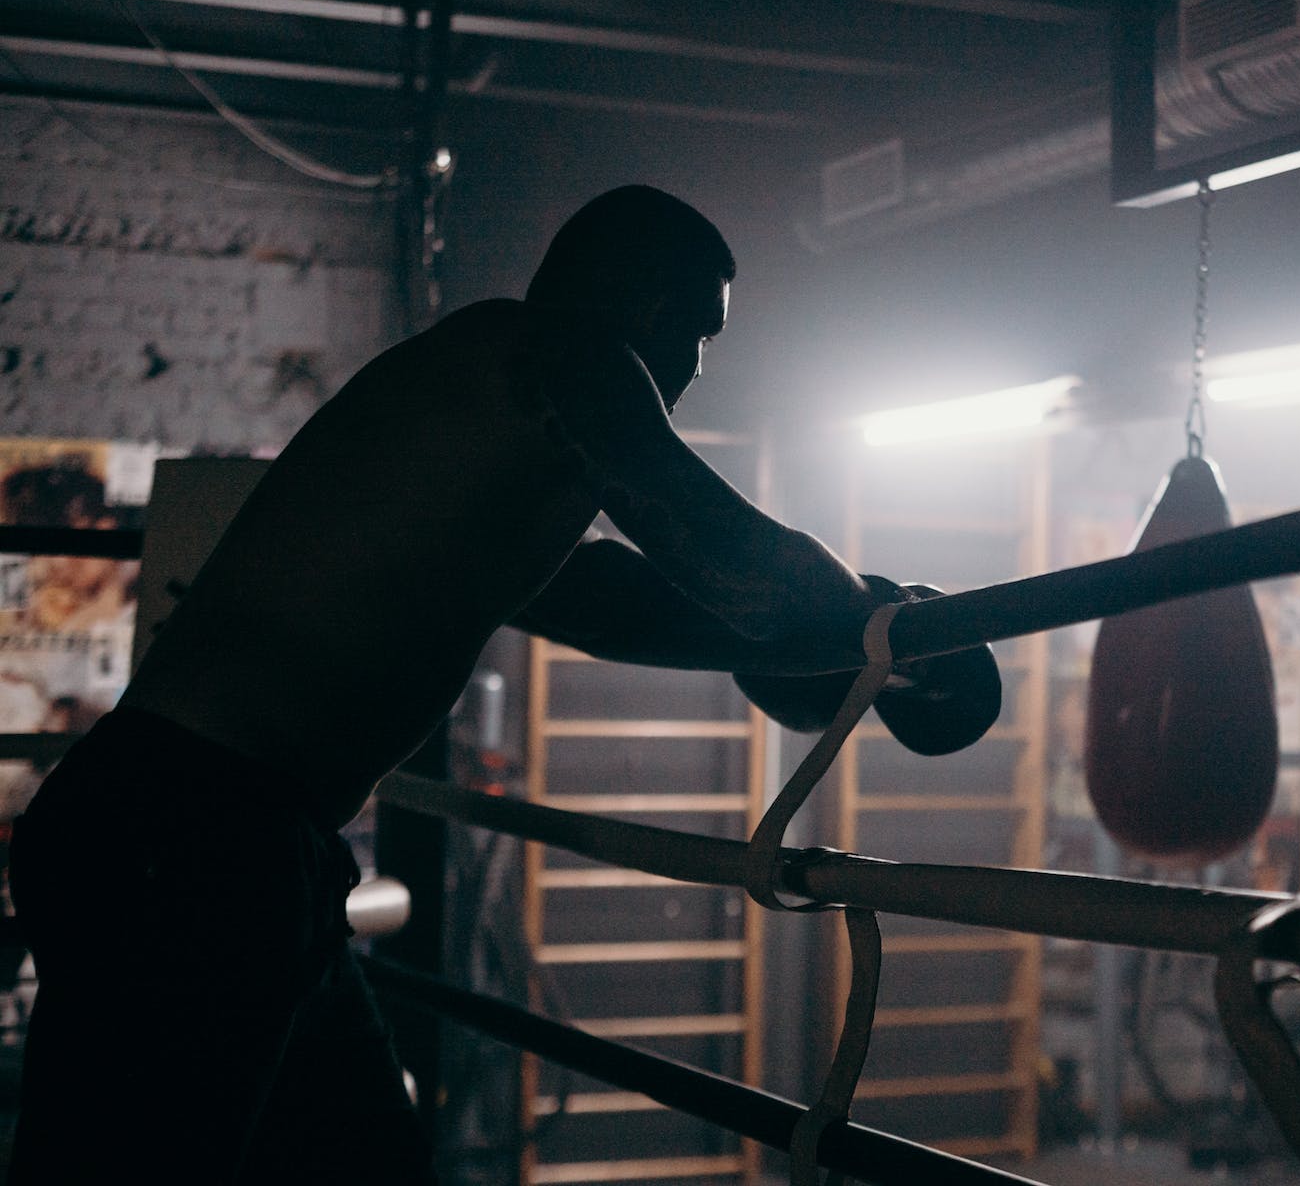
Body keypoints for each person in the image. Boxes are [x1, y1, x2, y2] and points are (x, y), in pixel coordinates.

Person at [4, 186, 997, 1184]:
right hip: (191, 841)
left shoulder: (485, 412)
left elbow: (610, 603)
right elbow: (719, 545)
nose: (697, 366)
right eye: (700, 332)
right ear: (652, 309)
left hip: (231, 844)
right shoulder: (562, 358)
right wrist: (885, 623)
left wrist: (847, 644)